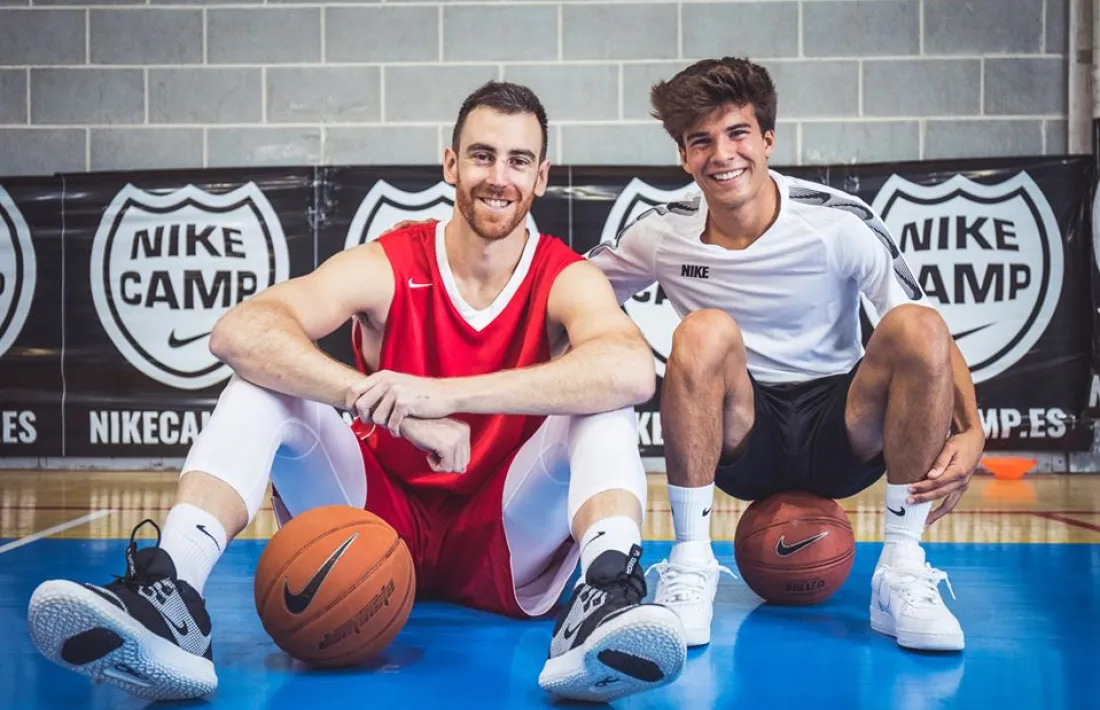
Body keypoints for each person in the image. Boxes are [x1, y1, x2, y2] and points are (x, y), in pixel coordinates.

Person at [25, 81, 687, 704]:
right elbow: (240, 331)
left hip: (505, 534)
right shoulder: (393, 262)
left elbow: (631, 370)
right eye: (482, 155)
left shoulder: (561, 277)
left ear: (540, 178)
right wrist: (359, 391)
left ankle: (604, 597)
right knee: (261, 387)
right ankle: (171, 597)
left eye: (519, 161)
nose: (499, 176)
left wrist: (442, 395)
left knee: (604, 403)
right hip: (371, 516)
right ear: (451, 164)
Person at [585, 57, 984, 652]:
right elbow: (572, 294)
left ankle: (901, 570)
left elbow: (931, 331)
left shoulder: (839, 223)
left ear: (767, 139)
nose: (722, 154)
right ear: (684, 156)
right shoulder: (659, 233)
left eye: (738, 133)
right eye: (702, 141)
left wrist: (972, 428)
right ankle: (691, 566)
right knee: (703, 330)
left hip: (843, 428)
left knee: (916, 325)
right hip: (742, 435)